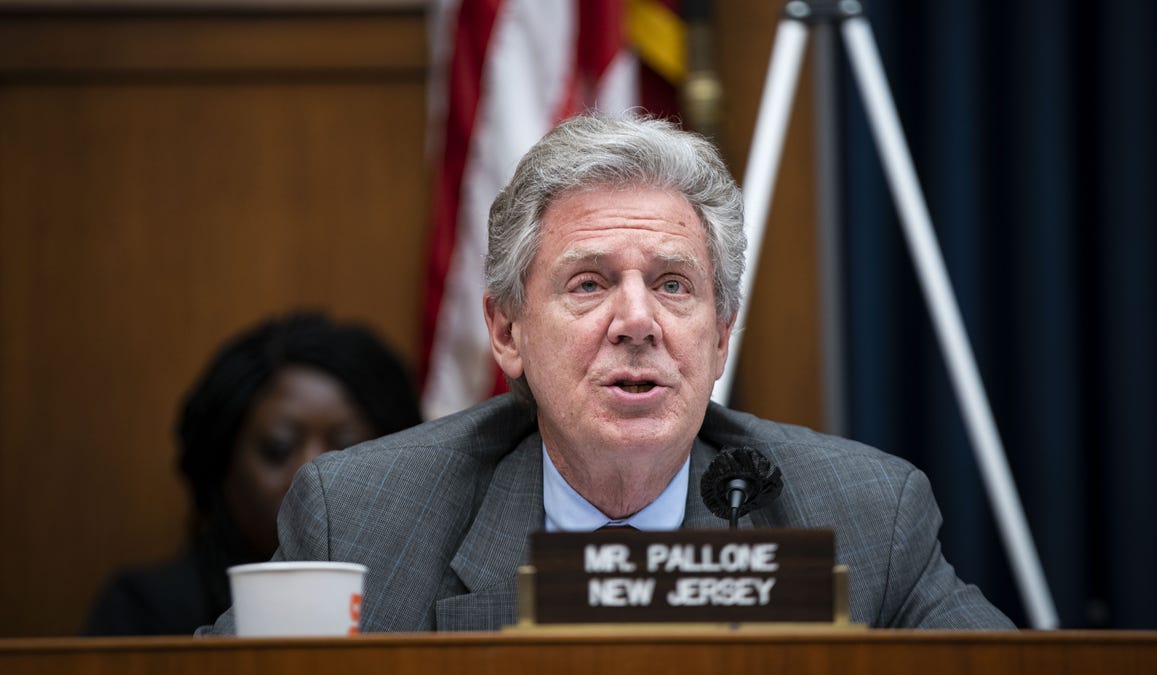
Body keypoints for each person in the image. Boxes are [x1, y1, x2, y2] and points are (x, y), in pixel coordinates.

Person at [204, 114, 1014, 633]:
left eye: (673, 283)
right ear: (506, 331)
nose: (637, 321)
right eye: (588, 283)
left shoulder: (869, 517)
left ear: (721, 334)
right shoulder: (365, 521)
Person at [85, 311, 422, 635]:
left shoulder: (422, 599)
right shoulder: (145, 611)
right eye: (278, 448)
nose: (312, 475)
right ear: (222, 466)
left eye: (347, 452)